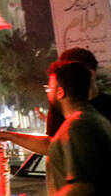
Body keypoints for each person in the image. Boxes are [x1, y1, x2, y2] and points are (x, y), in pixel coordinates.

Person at [0, 47, 111, 156]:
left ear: (91, 74)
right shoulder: (59, 108)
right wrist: (9, 136)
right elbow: (51, 145)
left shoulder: (98, 111)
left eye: (73, 71)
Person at [44, 61, 111, 194]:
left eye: (49, 88)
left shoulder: (77, 126)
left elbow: (82, 186)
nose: (48, 93)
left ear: (60, 92)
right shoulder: (96, 119)